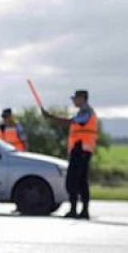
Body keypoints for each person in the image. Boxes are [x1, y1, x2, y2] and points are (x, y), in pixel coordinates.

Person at [42, 90, 98, 219]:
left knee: (73, 181)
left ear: (83, 98)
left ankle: (76, 209)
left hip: (81, 150)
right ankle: (82, 210)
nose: (74, 101)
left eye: (76, 98)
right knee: (81, 181)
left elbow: (71, 122)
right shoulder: (83, 112)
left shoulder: (86, 112)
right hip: (81, 150)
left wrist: (51, 117)